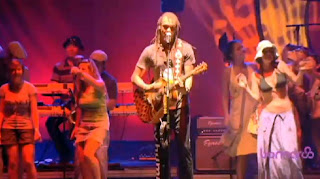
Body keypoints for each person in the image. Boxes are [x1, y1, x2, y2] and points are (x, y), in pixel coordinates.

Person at [131, 12, 195, 179]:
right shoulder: (150, 51)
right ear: (159, 28)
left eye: (172, 28)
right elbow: (135, 77)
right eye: (165, 27)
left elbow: (189, 78)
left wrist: (185, 86)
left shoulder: (186, 49)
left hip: (180, 106)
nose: (168, 31)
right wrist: (149, 87)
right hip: (159, 106)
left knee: (184, 150)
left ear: (177, 30)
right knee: (162, 150)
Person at [238, 40, 305, 178]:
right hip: (268, 118)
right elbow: (257, 97)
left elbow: (297, 82)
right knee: (272, 159)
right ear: (260, 55)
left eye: (270, 51)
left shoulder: (280, 66)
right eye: (265, 51)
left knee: (290, 153)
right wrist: (245, 87)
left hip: (286, 116)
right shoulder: (256, 75)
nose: (268, 54)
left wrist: (302, 70)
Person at [220, 39, 258, 179]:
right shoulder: (227, 72)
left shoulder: (252, 68)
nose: (242, 50)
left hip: (252, 116)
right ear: (231, 54)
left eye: (243, 47)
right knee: (241, 153)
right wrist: (226, 115)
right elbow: (225, 95)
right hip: (237, 115)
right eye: (238, 48)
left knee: (249, 152)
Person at [46, 36, 84, 164]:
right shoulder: (59, 67)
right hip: (65, 104)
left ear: (79, 48)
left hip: (82, 105)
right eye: (68, 46)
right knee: (50, 123)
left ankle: (81, 156)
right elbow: (53, 87)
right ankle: (65, 154)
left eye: (74, 46)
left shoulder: (86, 65)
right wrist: (58, 99)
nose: (71, 49)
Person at [0, 59, 41, 179]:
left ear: (22, 71)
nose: (16, 72)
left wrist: (37, 129)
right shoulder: (3, 89)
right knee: (13, 164)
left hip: (26, 127)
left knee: (28, 161)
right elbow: (2, 111)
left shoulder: (30, 88)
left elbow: (34, 111)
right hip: (9, 127)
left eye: (18, 69)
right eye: (13, 70)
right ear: (9, 72)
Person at [71, 59, 109, 179]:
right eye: (80, 69)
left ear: (91, 71)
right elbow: (80, 108)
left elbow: (97, 84)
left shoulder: (99, 85)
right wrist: (76, 127)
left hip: (99, 125)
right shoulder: (80, 87)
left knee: (89, 153)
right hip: (84, 125)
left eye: (84, 69)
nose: (81, 72)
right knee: (81, 158)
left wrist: (79, 72)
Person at [90, 49, 118, 179]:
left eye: (99, 63)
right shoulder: (84, 78)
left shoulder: (110, 81)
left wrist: (94, 104)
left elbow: (111, 104)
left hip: (101, 121)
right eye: (94, 63)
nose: (96, 66)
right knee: (83, 158)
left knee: (101, 155)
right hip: (86, 122)